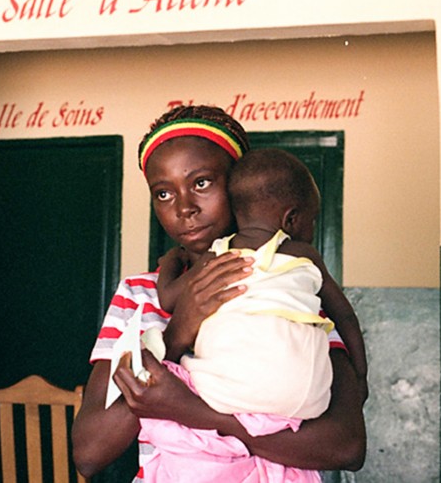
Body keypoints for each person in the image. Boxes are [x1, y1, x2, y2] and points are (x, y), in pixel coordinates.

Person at [72, 105, 366, 482]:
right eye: (163, 193)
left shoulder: (291, 284)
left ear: (240, 184)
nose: (184, 208)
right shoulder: (139, 295)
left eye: (201, 183)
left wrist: (194, 412)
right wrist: (177, 333)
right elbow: (90, 453)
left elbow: (345, 446)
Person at [155, 147, 368, 420]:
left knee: (177, 377)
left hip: (219, 393)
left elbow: (167, 298)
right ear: (290, 220)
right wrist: (361, 375)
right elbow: (346, 318)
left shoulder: (217, 257)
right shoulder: (304, 255)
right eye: (312, 220)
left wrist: (172, 260)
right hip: (307, 396)